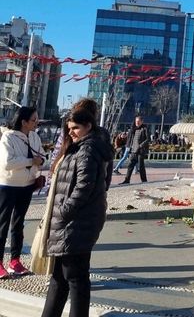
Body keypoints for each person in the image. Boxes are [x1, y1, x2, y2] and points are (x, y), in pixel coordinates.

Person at [41, 108, 113, 317]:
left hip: (76, 222)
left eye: (76, 128)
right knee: (61, 277)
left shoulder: (88, 150)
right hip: (70, 221)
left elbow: (84, 186)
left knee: (74, 278)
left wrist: (64, 212)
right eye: (69, 128)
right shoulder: (77, 147)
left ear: (88, 126)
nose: (71, 132)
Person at [0, 106, 45, 277]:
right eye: (34, 120)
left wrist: (39, 161)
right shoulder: (8, 137)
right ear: (23, 121)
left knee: (18, 224)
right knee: (2, 224)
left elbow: (41, 155)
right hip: (7, 185)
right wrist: (31, 161)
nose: (36, 123)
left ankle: (15, 261)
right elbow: (7, 163)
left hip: (27, 184)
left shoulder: (34, 136)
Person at [120, 115, 149, 184]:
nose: (137, 123)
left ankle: (144, 181)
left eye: (138, 121)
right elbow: (131, 139)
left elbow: (148, 139)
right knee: (130, 165)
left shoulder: (145, 128)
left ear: (142, 121)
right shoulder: (134, 128)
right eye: (136, 121)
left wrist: (141, 145)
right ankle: (127, 180)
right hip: (133, 150)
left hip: (140, 150)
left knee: (141, 166)